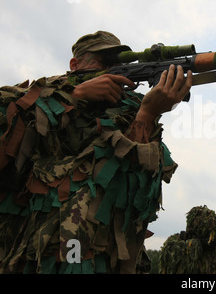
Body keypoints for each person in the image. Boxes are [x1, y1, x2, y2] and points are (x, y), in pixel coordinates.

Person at [0, 31, 192, 273]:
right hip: (42, 255)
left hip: (108, 259)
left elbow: (131, 191)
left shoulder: (128, 110)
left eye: (120, 65)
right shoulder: (36, 98)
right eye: (105, 63)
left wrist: (147, 116)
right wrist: (75, 95)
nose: (113, 71)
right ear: (74, 64)